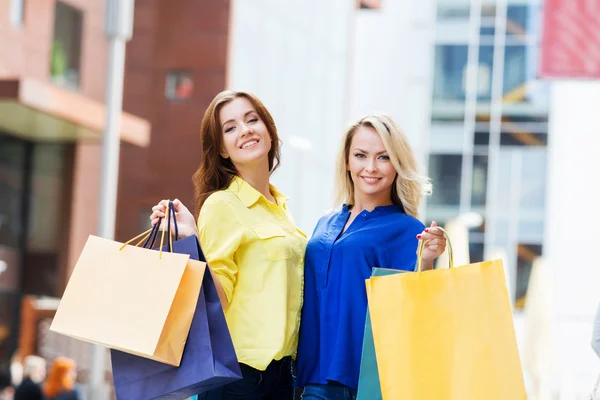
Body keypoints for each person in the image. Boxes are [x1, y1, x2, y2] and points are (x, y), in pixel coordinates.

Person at [150, 90, 307, 399]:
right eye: (230, 127)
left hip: (284, 376)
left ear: (269, 131)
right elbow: (215, 300)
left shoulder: (279, 208)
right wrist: (191, 240)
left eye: (252, 120)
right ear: (221, 148)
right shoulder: (222, 205)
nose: (245, 130)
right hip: (241, 378)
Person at [296, 113, 447, 399]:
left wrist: (426, 260)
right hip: (309, 376)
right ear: (347, 161)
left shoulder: (407, 229)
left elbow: (415, 307)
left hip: (361, 383)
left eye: (383, 157)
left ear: (397, 165)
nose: (371, 167)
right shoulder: (326, 222)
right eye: (361, 155)